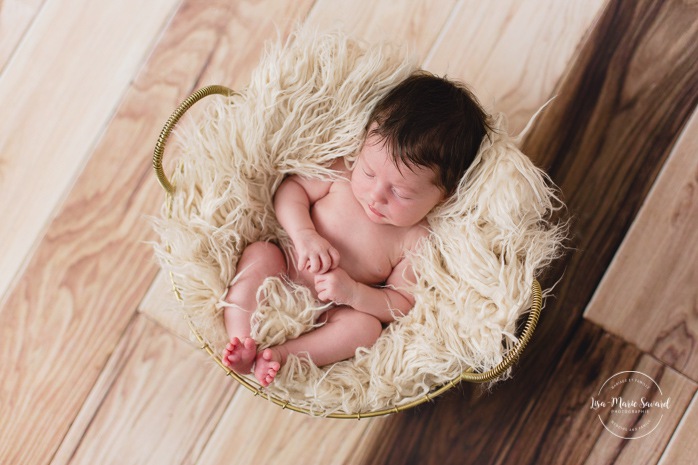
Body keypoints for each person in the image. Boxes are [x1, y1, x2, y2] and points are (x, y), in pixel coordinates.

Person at [220, 71, 492, 387]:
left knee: (366, 329)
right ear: (363, 144)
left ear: (445, 195)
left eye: (401, 193)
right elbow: (289, 192)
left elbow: (400, 303)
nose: (376, 195)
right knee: (260, 253)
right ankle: (241, 340)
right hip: (287, 263)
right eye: (369, 171)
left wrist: (353, 293)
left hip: (332, 309)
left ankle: (282, 355)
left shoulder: (415, 239)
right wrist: (304, 235)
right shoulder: (343, 173)